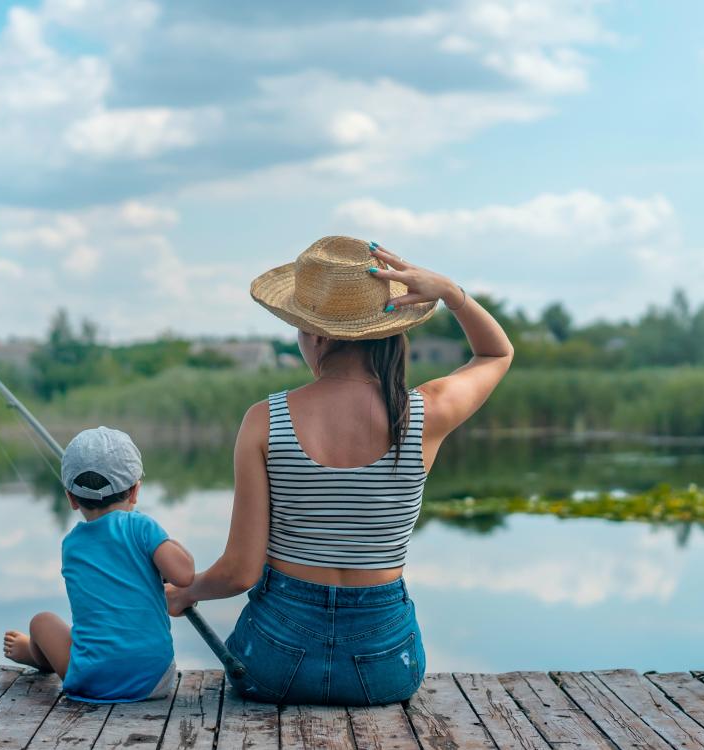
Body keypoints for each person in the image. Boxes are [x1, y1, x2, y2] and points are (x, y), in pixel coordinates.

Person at [166, 235, 513, 705]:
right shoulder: (425, 413)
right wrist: (452, 293)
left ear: (317, 334)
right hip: (387, 666)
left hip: (273, 662)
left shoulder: (265, 420)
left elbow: (239, 572)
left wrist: (187, 593)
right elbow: (496, 353)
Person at [3, 426, 196, 703]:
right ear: (135, 491)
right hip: (154, 680)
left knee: (41, 621)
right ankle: (40, 657)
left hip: (90, 681)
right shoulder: (143, 528)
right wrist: (162, 539)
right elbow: (185, 574)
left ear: (70, 498)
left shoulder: (71, 545)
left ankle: (37, 657)